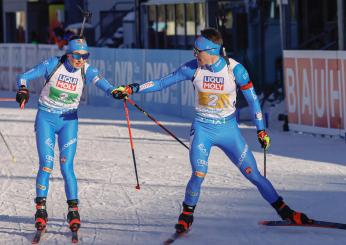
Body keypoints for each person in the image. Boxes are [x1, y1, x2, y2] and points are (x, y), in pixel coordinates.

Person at [112, 28, 311, 233]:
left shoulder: (236, 70)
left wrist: (261, 130)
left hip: (229, 131)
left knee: (253, 175)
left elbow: (253, 101)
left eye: (198, 50)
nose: (194, 54)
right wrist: (132, 88)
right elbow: (161, 82)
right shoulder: (193, 68)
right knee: (199, 173)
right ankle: (186, 216)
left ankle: (287, 213)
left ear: (212, 51)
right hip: (202, 129)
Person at [15, 35, 118, 233]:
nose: (81, 60)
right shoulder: (53, 64)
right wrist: (23, 89)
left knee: (66, 166)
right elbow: (24, 76)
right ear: (68, 54)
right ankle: (41, 210)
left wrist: (114, 91)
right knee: (46, 165)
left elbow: (102, 83)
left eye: (85, 56)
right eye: (77, 56)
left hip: (68, 121)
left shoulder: (86, 70)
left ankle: (73, 211)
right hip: (46, 118)